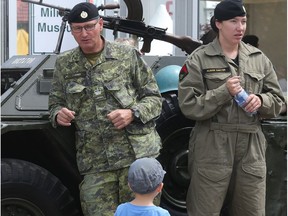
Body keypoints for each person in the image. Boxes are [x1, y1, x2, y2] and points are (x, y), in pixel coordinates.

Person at [48, 2, 163, 215]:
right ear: (71, 30)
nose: (84, 33)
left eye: (90, 26)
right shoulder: (65, 64)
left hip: (135, 158)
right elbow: (55, 103)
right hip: (96, 162)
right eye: (77, 28)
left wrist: (132, 113)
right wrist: (58, 114)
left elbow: (155, 99)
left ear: (101, 25)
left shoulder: (127, 56)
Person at [177, 0, 286, 215]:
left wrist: (261, 101)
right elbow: (189, 106)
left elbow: (279, 101)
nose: (240, 27)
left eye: (244, 21)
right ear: (218, 23)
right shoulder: (198, 59)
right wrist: (223, 92)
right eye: (233, 21)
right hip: (212, 144)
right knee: (204, 211)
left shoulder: (259, 59)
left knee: (251, 211)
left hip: (250, 146)